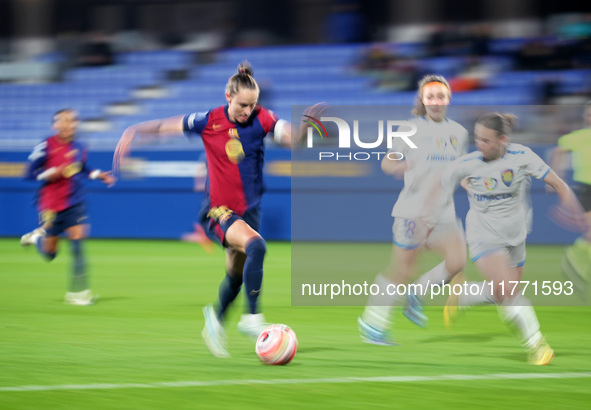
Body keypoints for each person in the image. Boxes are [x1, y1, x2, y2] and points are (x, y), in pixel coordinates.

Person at [112, 62, 316, 358]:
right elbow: (163, 126)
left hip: (251, 209)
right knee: (257, 246)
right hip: (219, 209)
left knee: (235, 276)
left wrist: (308, 128)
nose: (248, 111)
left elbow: (294, 140)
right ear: (228, 96)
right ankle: (251, 319)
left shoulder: (264, 119)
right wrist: (133, 130)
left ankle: (215, 320)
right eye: (243, 105)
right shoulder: (209, 121)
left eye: (253, 105)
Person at [441, 112, 586, 365]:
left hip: (516, 235)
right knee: (509, 293)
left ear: (503, 139)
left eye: (486, 140)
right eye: (477, 139)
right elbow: (449, 181)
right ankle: (536, 345)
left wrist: (573, 212)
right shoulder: (469, 161)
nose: (480, 145)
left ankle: (465, 294)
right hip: (483, 234)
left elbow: (560, 184)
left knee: (505, 292)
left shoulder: (522, 157)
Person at [358, 74, 469, 344]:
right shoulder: (410, 130)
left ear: (448, 99)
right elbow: (387, 162)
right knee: (401, 271)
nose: (435, 101)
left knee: (457, 262)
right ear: (423, 100)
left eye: (440, 96)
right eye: (430, 97)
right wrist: (398, 166)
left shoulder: (460, 133)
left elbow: (461, 171)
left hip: (443, 211)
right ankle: (373, 323)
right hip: (413, 211)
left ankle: (416, 293)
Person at [20, 109, 115, 305]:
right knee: (50, 254)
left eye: (71, 120)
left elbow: (81, 168)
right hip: (51, 205)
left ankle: (79, 293)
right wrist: (48, 174)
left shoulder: (80, 146)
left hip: (74, 201)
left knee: (78, 241)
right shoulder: (45, 146)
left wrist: (98, 175)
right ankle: (37, 237)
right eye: (62, 121)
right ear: (54, 125)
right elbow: (28, 173)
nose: (67, 124)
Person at [551, 103, 591, 289]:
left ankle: (577, 264)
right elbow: (559, 151)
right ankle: (575, 262)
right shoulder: (577, 137)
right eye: (588, 113)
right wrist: (555, 176)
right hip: (585, 188)